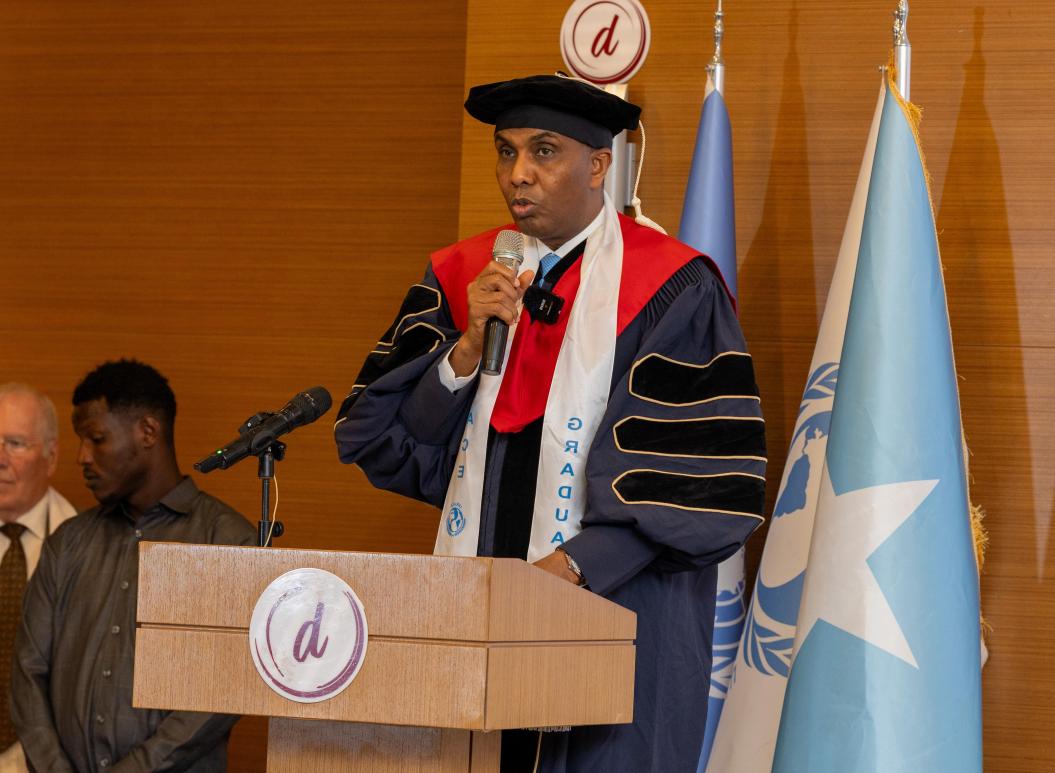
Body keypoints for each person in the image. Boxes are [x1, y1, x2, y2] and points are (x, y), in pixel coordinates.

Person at [334, 74, 766, 772]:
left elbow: (691, 484)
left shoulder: (672, 286)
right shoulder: (464, 277)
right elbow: (383, 440)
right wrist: (465, 350)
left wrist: (566, 572)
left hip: (623, 616)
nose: (518, 174)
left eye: (543, 151)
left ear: (598, 166)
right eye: (506, 152)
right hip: (480, 616)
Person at [11, 360, 257, 772]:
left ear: (147, 432)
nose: (82, 457)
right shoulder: (67, 543)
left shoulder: (227, 541)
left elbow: (223, 691)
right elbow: (27, 674)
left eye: (96, 439)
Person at [0, 384, 76, 773]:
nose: (0, 459)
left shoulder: (78, 544)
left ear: (51, 457)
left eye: (15, 444)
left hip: (40, 755)